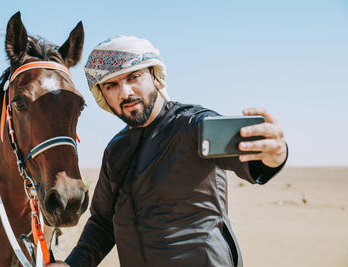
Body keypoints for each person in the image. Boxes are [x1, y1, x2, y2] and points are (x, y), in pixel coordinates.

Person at [49, 35, 287, 267]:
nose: (125, 93)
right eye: (112, 85)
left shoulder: (193, 125)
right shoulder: (116, 150)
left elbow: (250, 159)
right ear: (103, 96)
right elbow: (103, 223)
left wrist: (275, 155)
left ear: (154, 76)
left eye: (134, 77)